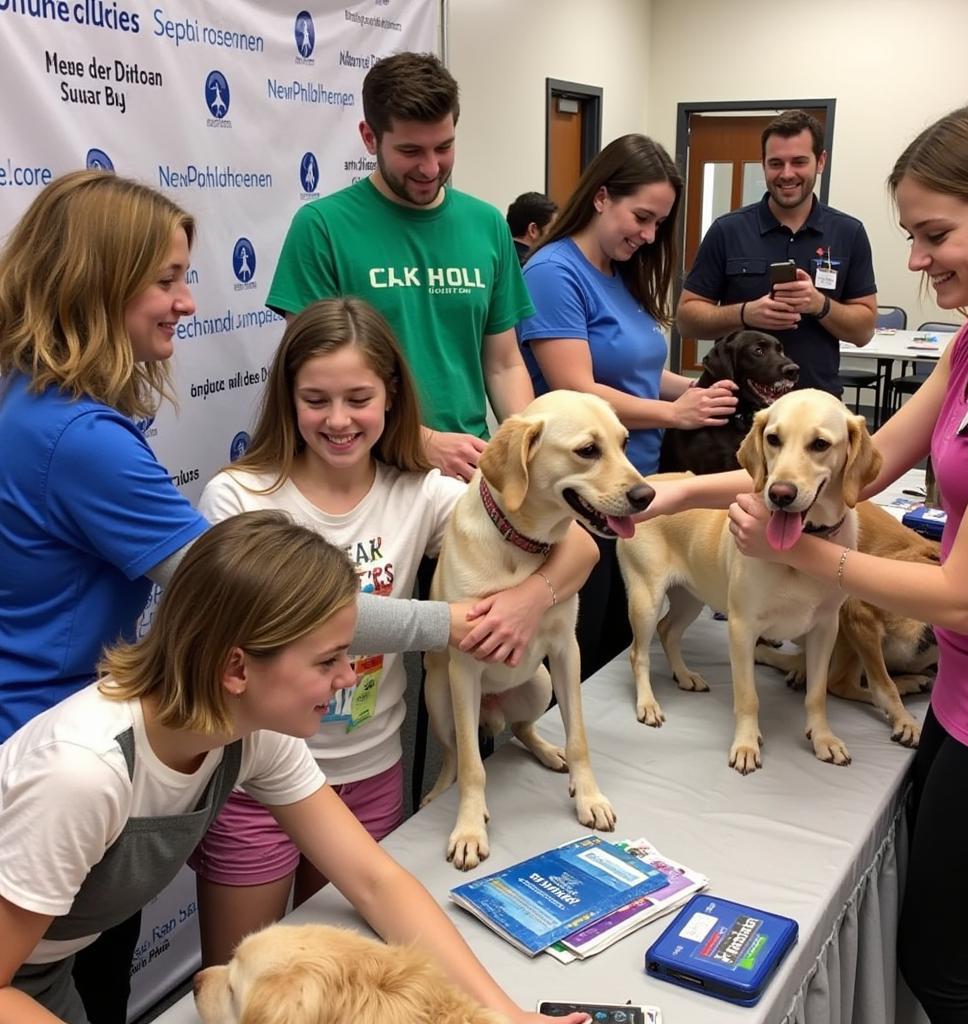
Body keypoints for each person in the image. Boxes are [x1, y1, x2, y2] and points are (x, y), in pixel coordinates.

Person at [667, 96, 968, 1024]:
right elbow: (852, 475)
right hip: (967, 699)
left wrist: (807, 558)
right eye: (909, 235)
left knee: (948, 968)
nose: (914, 261)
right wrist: (676, 495)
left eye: (934, 233)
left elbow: (963, 595)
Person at [0, 512, 590, 1024]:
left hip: (44, 970)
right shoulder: (82, 774)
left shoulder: (248, 728)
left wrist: (505, 1015)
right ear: (237, 668)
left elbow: (373, 880)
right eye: (328, 659)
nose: (345, 677)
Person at [187, 297, 598, 966]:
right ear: (287, 399)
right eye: (316, 399)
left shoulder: (425, 494)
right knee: (242, 982)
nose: (339, 419)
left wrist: (530, 597)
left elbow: (576, 545)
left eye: (358, 397)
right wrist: (446, 623)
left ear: (391, 397)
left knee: (347, 976)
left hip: (371, 775)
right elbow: (284, 620)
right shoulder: (241, 498)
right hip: (254, 785)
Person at [0, 169, 209, 1024]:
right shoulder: (79, 438)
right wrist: (455, 620)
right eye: (166, 279)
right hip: (54, 765)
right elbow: (256, 598)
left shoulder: (24, 402)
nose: (187, 303)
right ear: (97, 282)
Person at [515, 133, 738, 679]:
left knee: (622, 634)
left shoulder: (620, 273)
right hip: (585, 492)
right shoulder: (553, 273)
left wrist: (689, 391)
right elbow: (578, 388)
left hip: (636, 479)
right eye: (640, 217)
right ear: (601, 197)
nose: (648, 234)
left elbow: (636, 370)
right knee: (580, 648)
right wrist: (673, 414)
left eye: (658, 223)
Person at [267, 52, 534, 483]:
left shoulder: (486, 225)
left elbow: (503, 364)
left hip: (464, 471)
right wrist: (421, 440)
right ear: (370, 138)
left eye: (444, 148)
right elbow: (312, 378)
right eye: (410, 151)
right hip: (364, 475)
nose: (431, 168)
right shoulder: (322, 228)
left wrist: (529, 443)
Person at [677, 110, 878, 396]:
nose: (786, 174)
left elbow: (863, 331)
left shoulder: (849, 233)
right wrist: (746, 313)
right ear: (763, 165)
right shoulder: (727, 230)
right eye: (775, 163)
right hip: (736, 411)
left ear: (820, 161)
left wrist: (819, 304)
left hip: (814, 404)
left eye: (798, 162)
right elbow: (686, 320)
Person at [506, 190, 558, 265]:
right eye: (552, 230)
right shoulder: (535, 265)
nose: (555, 236)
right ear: (533, 230)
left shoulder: (498, 255)